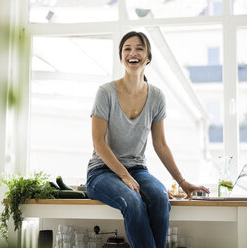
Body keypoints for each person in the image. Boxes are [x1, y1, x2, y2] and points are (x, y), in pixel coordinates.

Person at [86, 31, 210, 248]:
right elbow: (98, 142)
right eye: (127, 49)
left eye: (139, 48)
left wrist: (182, 182)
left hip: (137, 170)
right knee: (132, 201)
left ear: (148, 57)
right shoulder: (105, 92)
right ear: (121, 57)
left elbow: (160, 144)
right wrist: (123, 176)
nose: (133, 53)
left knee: (161, 198)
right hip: (102, 172)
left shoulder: (156, 97)